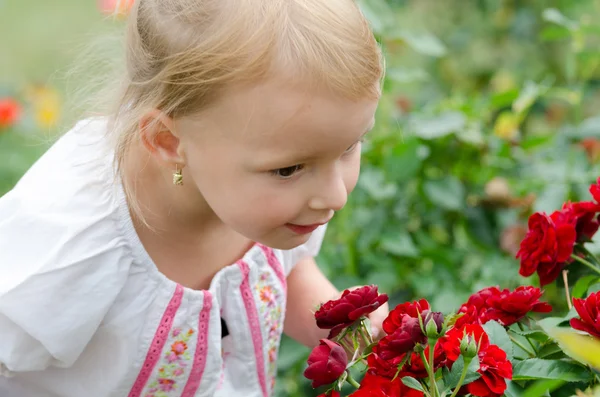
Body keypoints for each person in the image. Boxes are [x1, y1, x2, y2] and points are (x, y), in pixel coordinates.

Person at [0, 0, 387, 395]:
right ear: (168, 140)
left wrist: (347, 327)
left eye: (350, 146)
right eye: (288, 169)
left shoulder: (262, 198)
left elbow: (283, 274)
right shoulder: (74, 240)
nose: (334, 195)